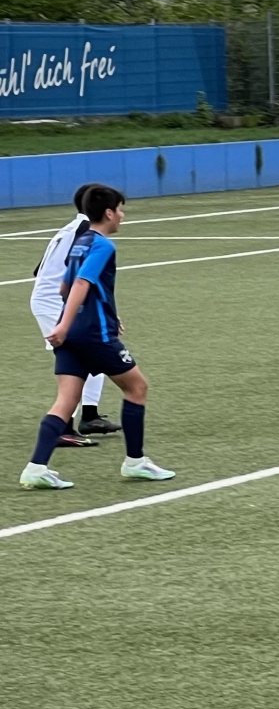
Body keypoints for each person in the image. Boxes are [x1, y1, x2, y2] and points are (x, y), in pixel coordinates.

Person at [19, 186, 176, 490]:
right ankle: (135, 462)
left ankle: (36, 468)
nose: (122, 216)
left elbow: (64, 288)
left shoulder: (80, 242)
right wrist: (73, 322)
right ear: (108, 213)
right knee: (137, 387)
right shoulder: (103, 245)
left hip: (74, 333)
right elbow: (81, 283)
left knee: (65, 400)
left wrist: (70, 323)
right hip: (93, 334)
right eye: (120, 209)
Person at [29, 184, 120, 448]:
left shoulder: (72, 228)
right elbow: (78, 277)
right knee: (79, 357)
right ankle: (64, 427)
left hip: (56, 298)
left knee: (94, 350)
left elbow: (40, 270)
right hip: (55, 301)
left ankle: (89, 415)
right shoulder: (87, 231)